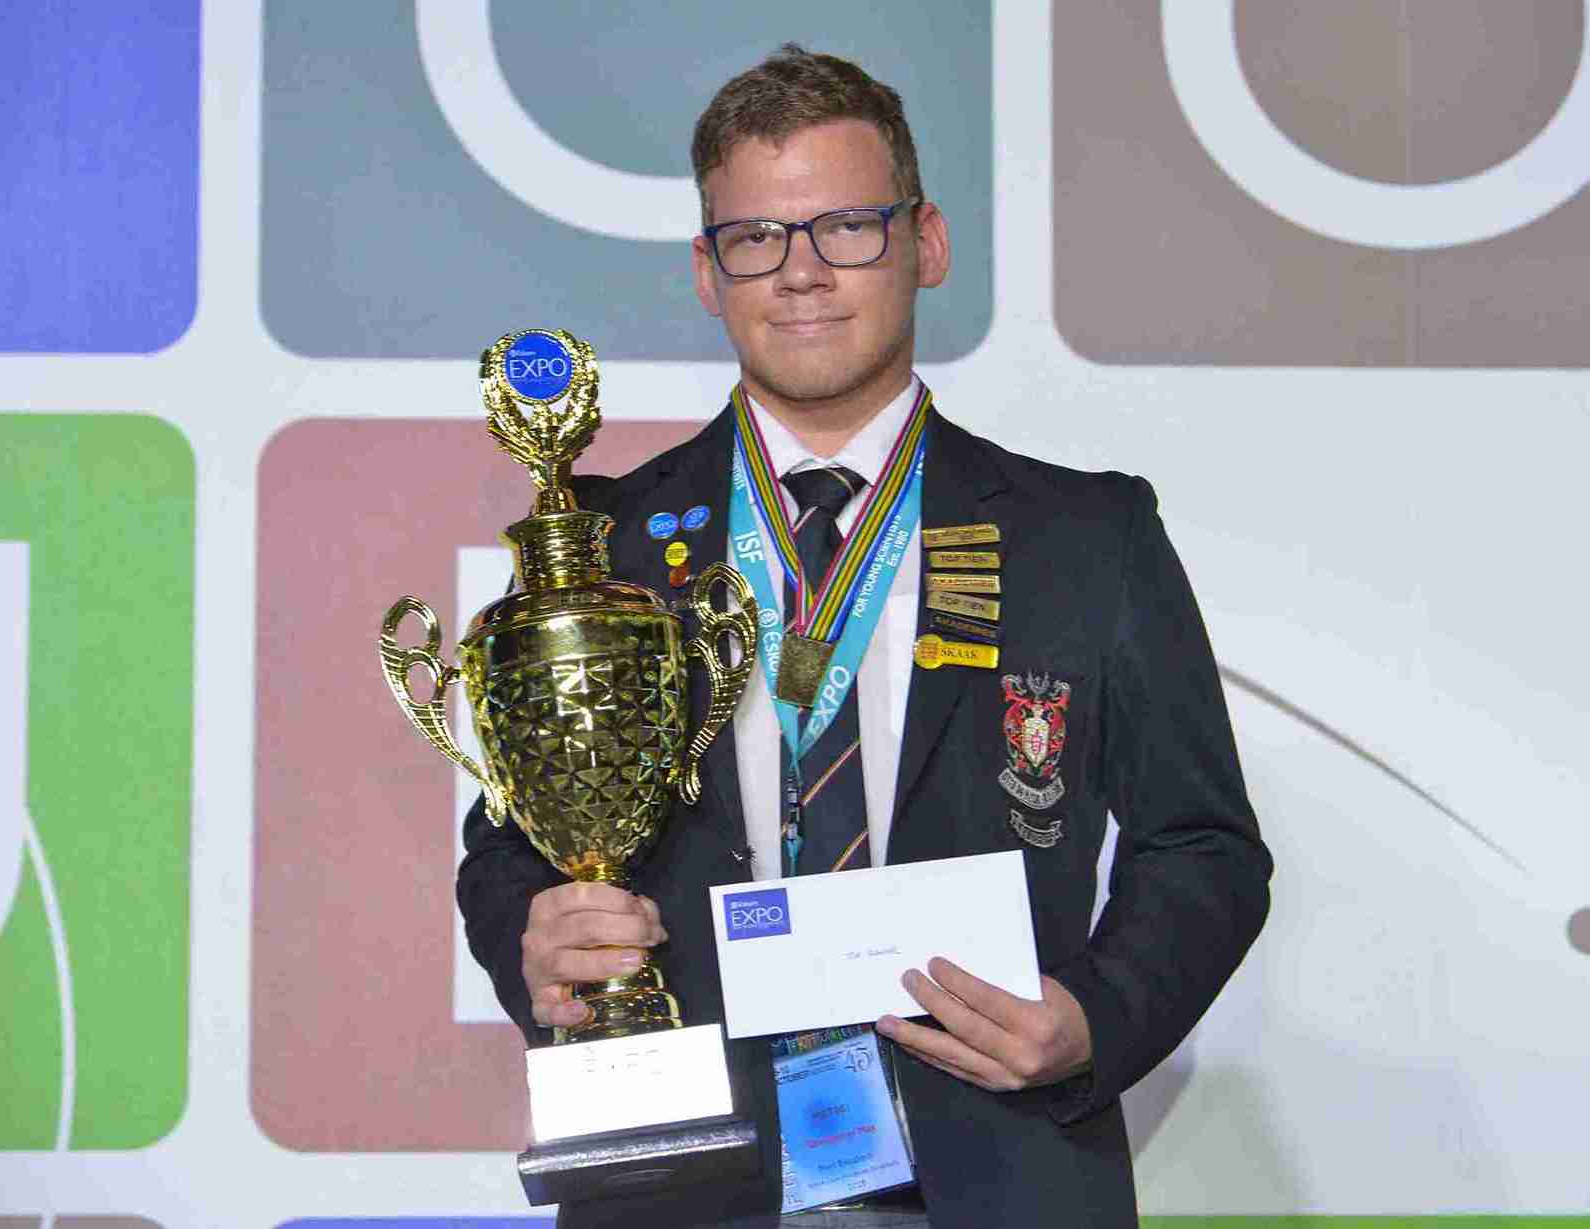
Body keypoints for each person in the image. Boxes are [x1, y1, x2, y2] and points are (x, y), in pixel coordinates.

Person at [457, 44, 1271, 1229]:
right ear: (706, 269)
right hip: (686, 1169)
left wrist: (1093, 1015)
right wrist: (531, 934)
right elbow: (508, 848)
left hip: (997, 1164)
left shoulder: (1086, 535)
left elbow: (1202, 845)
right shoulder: (598, 545)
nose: (800, 273)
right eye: (756, 237)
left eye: (846, 227)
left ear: (926, 243)